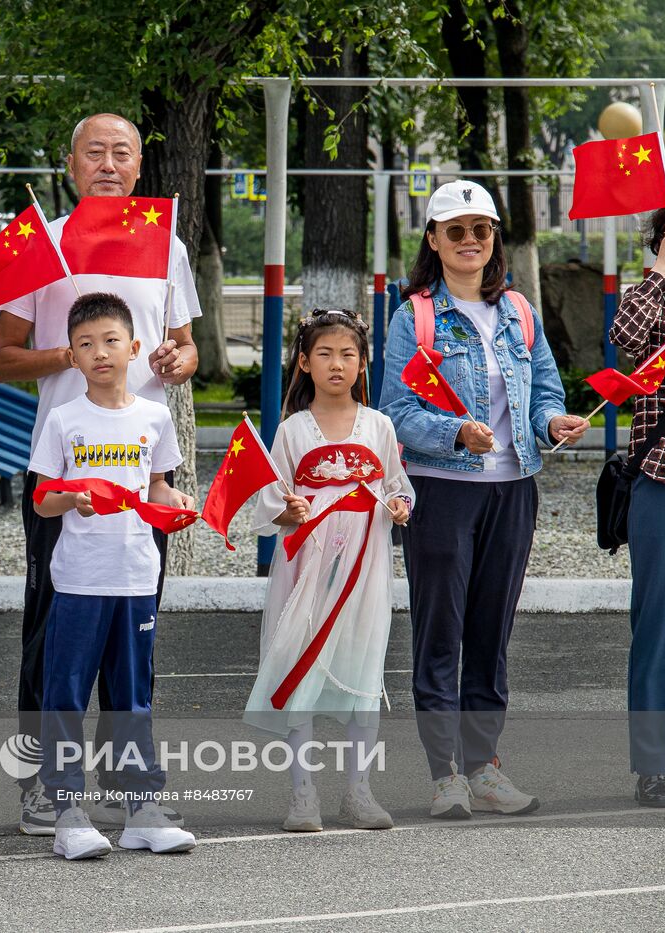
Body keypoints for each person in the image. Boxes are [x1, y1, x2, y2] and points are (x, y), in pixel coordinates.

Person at [0, 112, 200, 834]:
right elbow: (1, 356)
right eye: (94, 152)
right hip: (67, 470)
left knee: (131, 628)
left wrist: (178, 360)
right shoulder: (41, 242)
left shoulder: (165, 242)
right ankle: (43, 785)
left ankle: (128, 784)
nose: (109, 164)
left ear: (140, 167)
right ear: (72, 163)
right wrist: (70, 356)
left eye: (123, 153)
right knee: (54, 631)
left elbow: (183, 347)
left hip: (142, 470)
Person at [380, 181, 586, 820]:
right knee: (440, 631)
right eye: (456, 230)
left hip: (513, 489)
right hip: (440, 493)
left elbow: (546, 388)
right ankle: (445, 774)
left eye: (482, 230)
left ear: (494, 239)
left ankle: (484, 765)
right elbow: (394, 412)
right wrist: (454, 432)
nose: (471, 241)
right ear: (434, 240)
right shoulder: (413, 316)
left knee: (491, 632)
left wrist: (552, 422)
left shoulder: (519, 312)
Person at [29, 292, 197, 860]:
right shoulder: (63, 419)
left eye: (110, 341)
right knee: (67, 697)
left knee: (132, 699)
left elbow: (156, 488)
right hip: (79, 581)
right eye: (85, 344)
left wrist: (174, 499)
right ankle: (67, 811)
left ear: (135, 348)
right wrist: (72, 498)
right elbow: (41, 501)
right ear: (72, 357)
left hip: (136, 577)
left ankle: (140, 811)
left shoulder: (154, 416)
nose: (99, 352)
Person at [243, 310, 412, 833]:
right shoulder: (293, 430)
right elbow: (268, 504)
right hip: (308, 574)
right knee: (301, 671)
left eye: (347, 354)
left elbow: (397, 485)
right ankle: (302, 794)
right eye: (324, 354)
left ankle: (359, 791)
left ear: (363, 363)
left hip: (365, 573)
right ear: (304, 362)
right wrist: (286, 512)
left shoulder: (379, 425)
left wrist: (400, 503)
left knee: (364, 670)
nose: (336, 364)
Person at [607, 190, 665, 807]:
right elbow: (623, 339)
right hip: (664, 477)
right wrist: (660, 270)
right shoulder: (650, 297)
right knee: (656, 624)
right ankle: (652, 767)